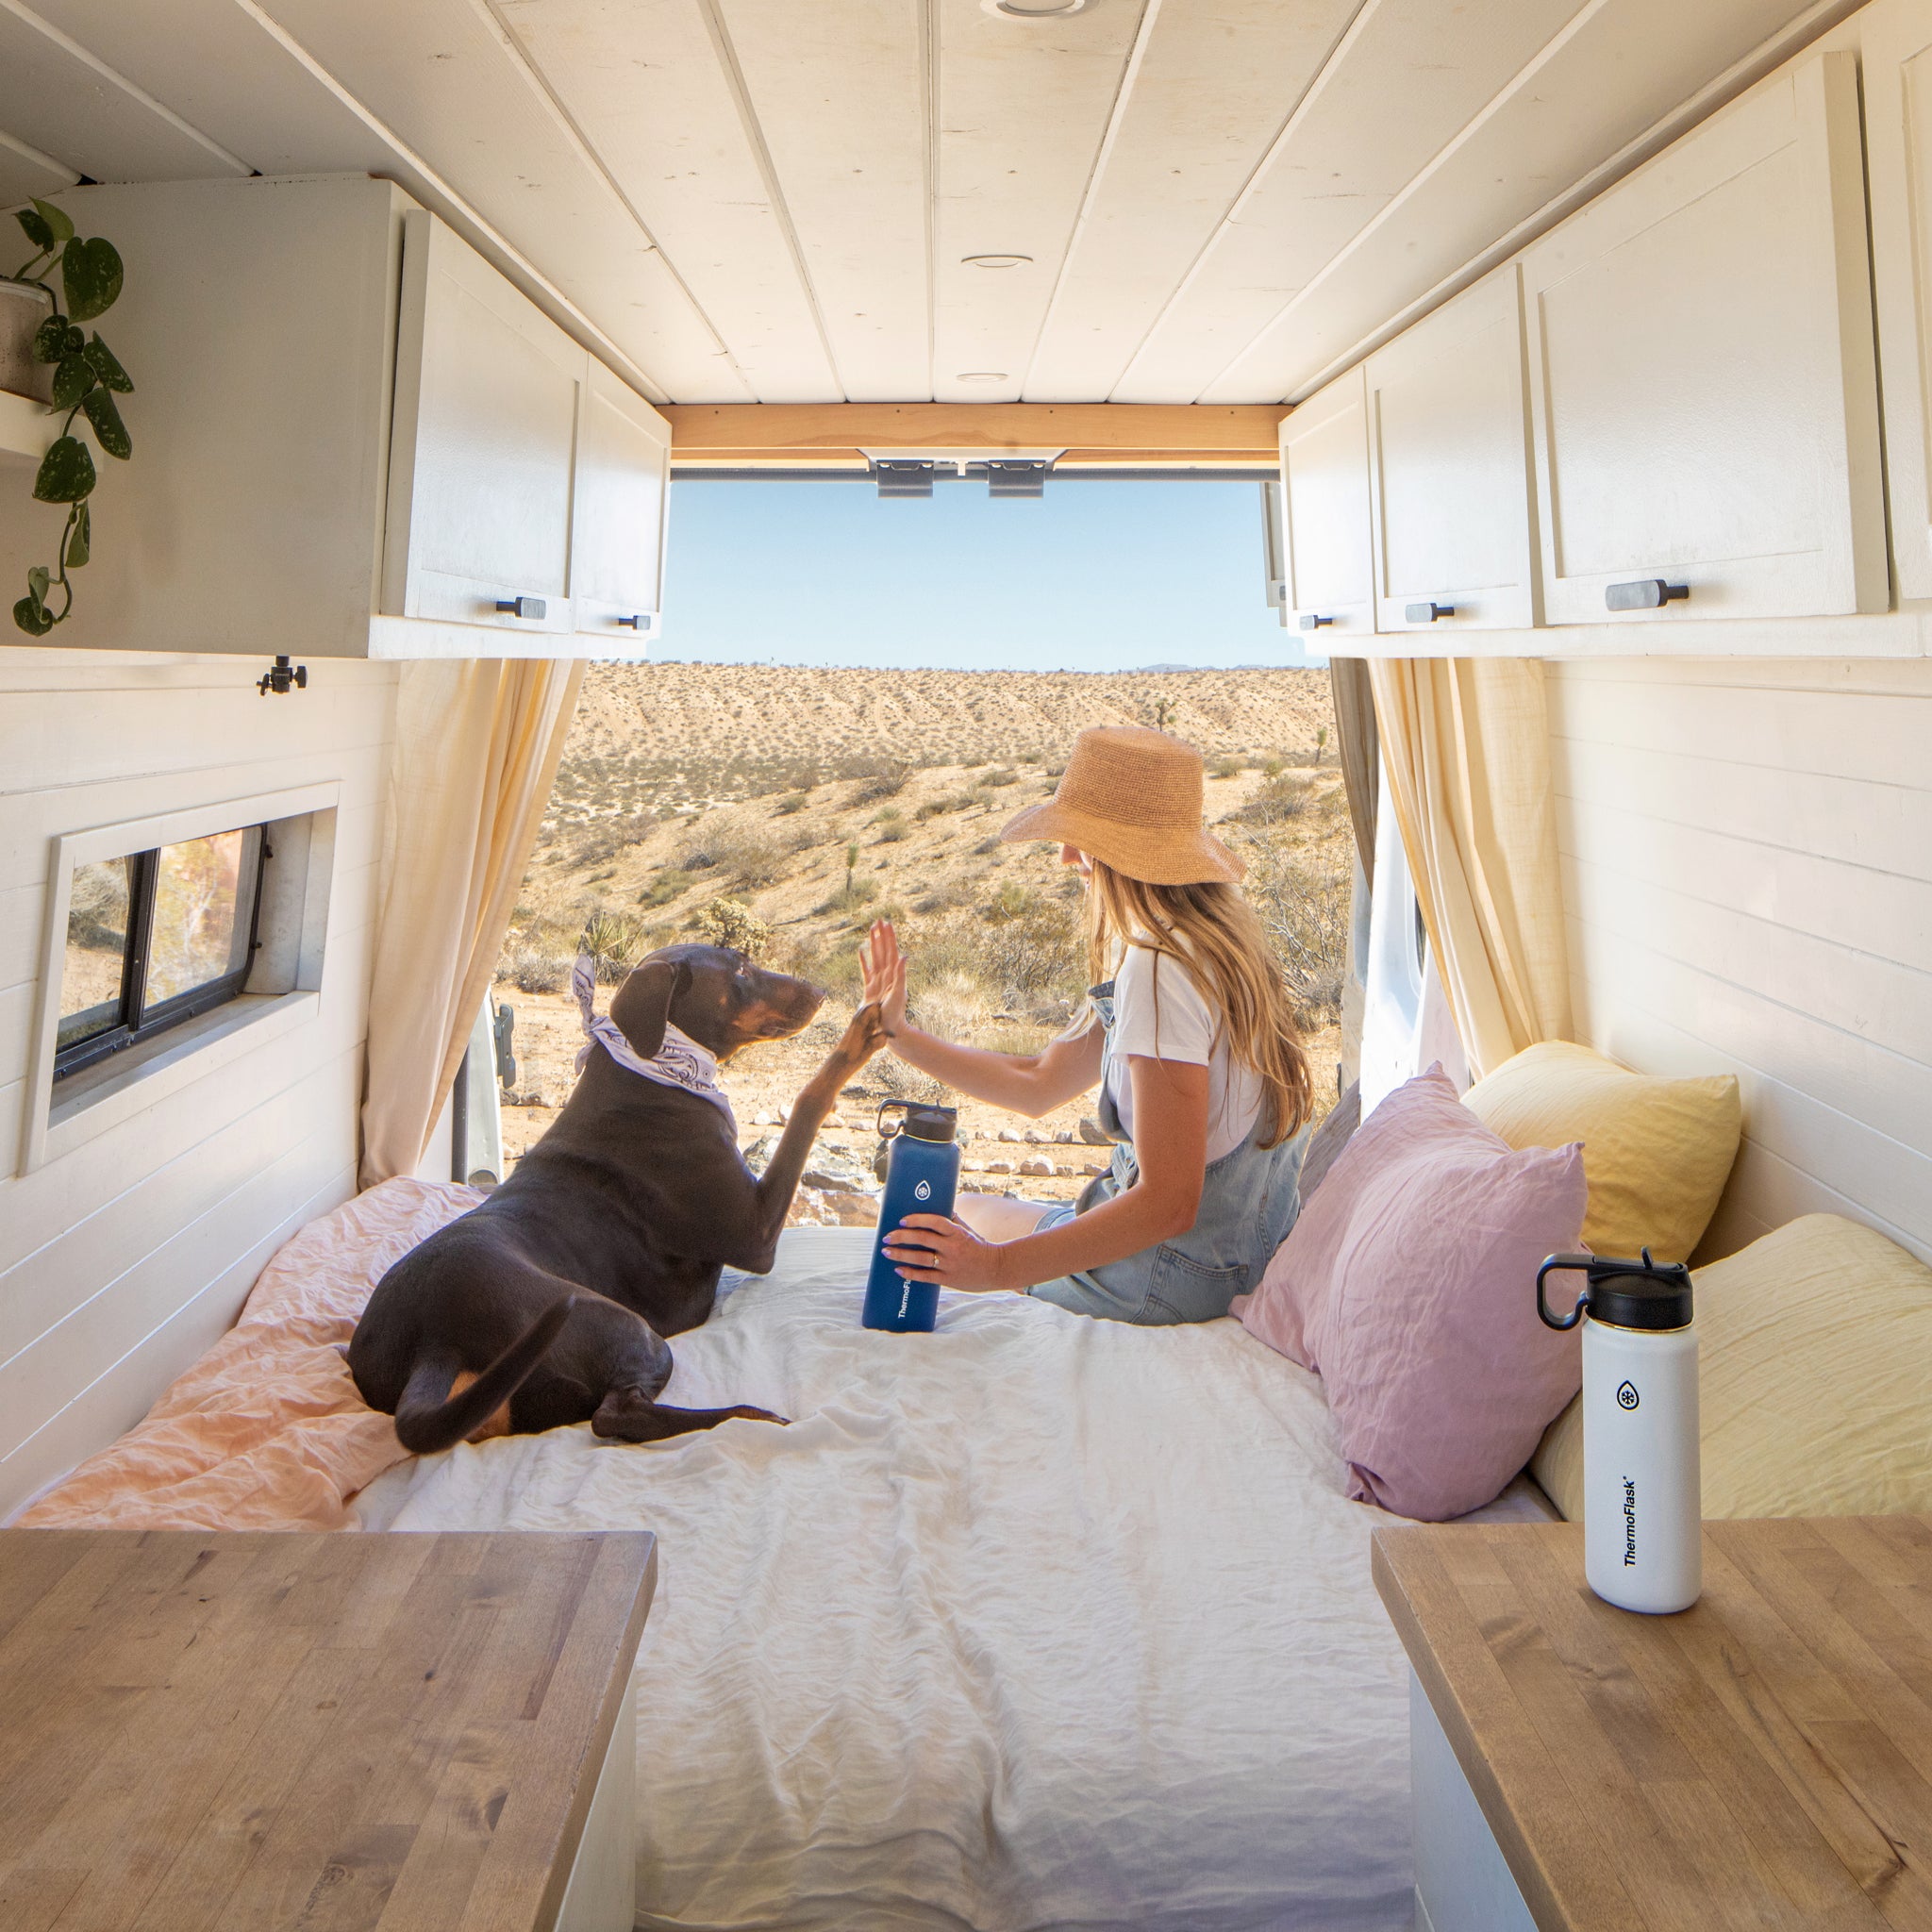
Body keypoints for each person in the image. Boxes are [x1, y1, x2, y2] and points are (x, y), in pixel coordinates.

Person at [858, 724, 1313, 1324]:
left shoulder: (1160, 969)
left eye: (1084, 840)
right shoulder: (1222, 947)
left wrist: (994, 1269)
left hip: (1168, 1273)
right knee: (967, 1208)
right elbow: (1038, 1081)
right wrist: (899, 1035)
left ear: (1127, 856)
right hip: (1232, 1256)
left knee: (943, 1236)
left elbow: (1169, 1203)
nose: (1066, 857)